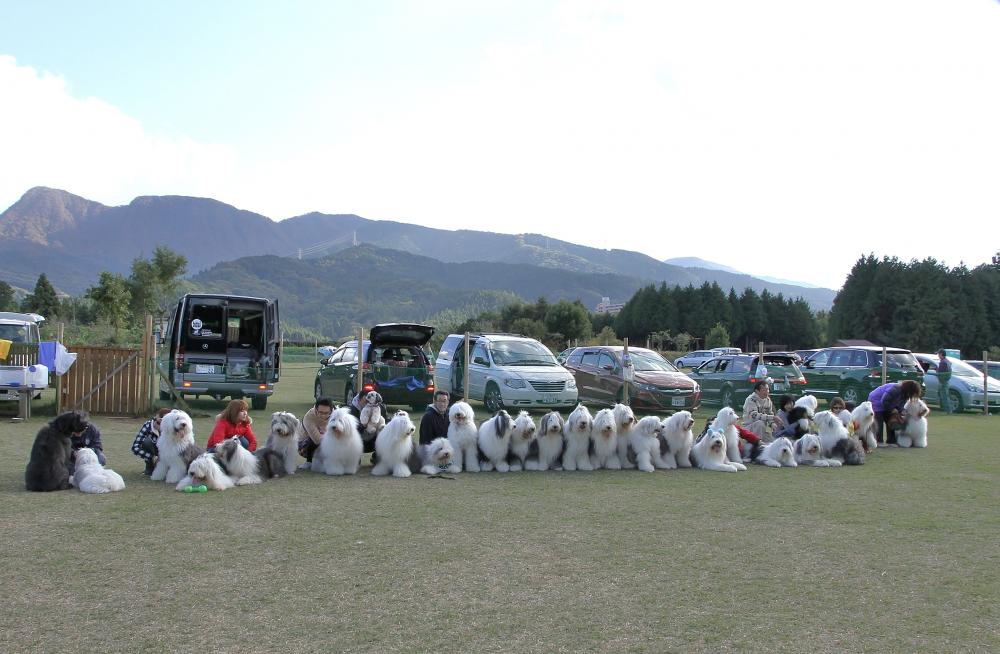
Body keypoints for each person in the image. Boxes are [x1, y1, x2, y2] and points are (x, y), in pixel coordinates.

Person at [868, 380, 922, 446]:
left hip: (887, 404)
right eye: (914, 393)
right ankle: (879, 441)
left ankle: (891, 441)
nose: (913, 395)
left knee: (891, 421)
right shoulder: (896, 389)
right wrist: (892, 409)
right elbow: (884, 400)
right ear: (910, 389)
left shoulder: (905, 394)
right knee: (879, 422)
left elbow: (901, 405)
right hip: (876, 401)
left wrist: (902, 411)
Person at [131, 407, 173, 475]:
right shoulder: (148, 426)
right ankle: (150, 467)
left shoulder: (174, 428)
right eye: (158, 420)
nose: (157, 423)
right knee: (146, 442)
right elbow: (135, 447)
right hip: (154, 452)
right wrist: (151, 457)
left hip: (168, 454)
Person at [297, 397, 335, 469]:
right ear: (316, 409)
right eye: (320, 412)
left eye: (326, 413)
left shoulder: (336, 413)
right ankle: (309, 461)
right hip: (305, 445)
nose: (323, 415)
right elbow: (317, 440)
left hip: (327, 438)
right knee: (313, 439)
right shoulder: (309, 417)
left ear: (331, 410)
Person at [936, 349, 953, 414]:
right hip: (946, 381)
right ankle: (947, 409)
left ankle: (948, 410)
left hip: (943, 381)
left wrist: (936, 371)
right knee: (945, 395)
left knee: (945, 396)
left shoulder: (943, 362)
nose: (938, 355)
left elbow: (940, 372)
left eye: (939, 354)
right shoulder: (947, 361)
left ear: (941, 354)